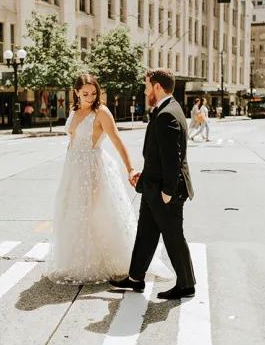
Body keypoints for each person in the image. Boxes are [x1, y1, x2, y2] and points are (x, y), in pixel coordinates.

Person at [46, 74, 172, 285]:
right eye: (85, 94)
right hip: (73, 168)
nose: (90, 97)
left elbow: (116, 139)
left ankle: (108, 261)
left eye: (94, 93)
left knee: (93, 212)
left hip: (92, 167)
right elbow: (72, 139)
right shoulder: (74, 110)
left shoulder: (101, 113)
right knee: (73, 211)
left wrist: (130, 168)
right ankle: (75, 260)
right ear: (76, 92)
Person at [110, 68, 196, 299]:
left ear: (157, 87)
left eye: (147, 85)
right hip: (153, 186)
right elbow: (159, 155)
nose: (145, 89)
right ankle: (136, 278)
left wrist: (168, 191)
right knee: (146, 233)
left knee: (173, 236)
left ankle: (187, 285)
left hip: (165, 191)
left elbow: (172, 158)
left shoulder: (167, 114)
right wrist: (145, 175)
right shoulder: (169, 109)